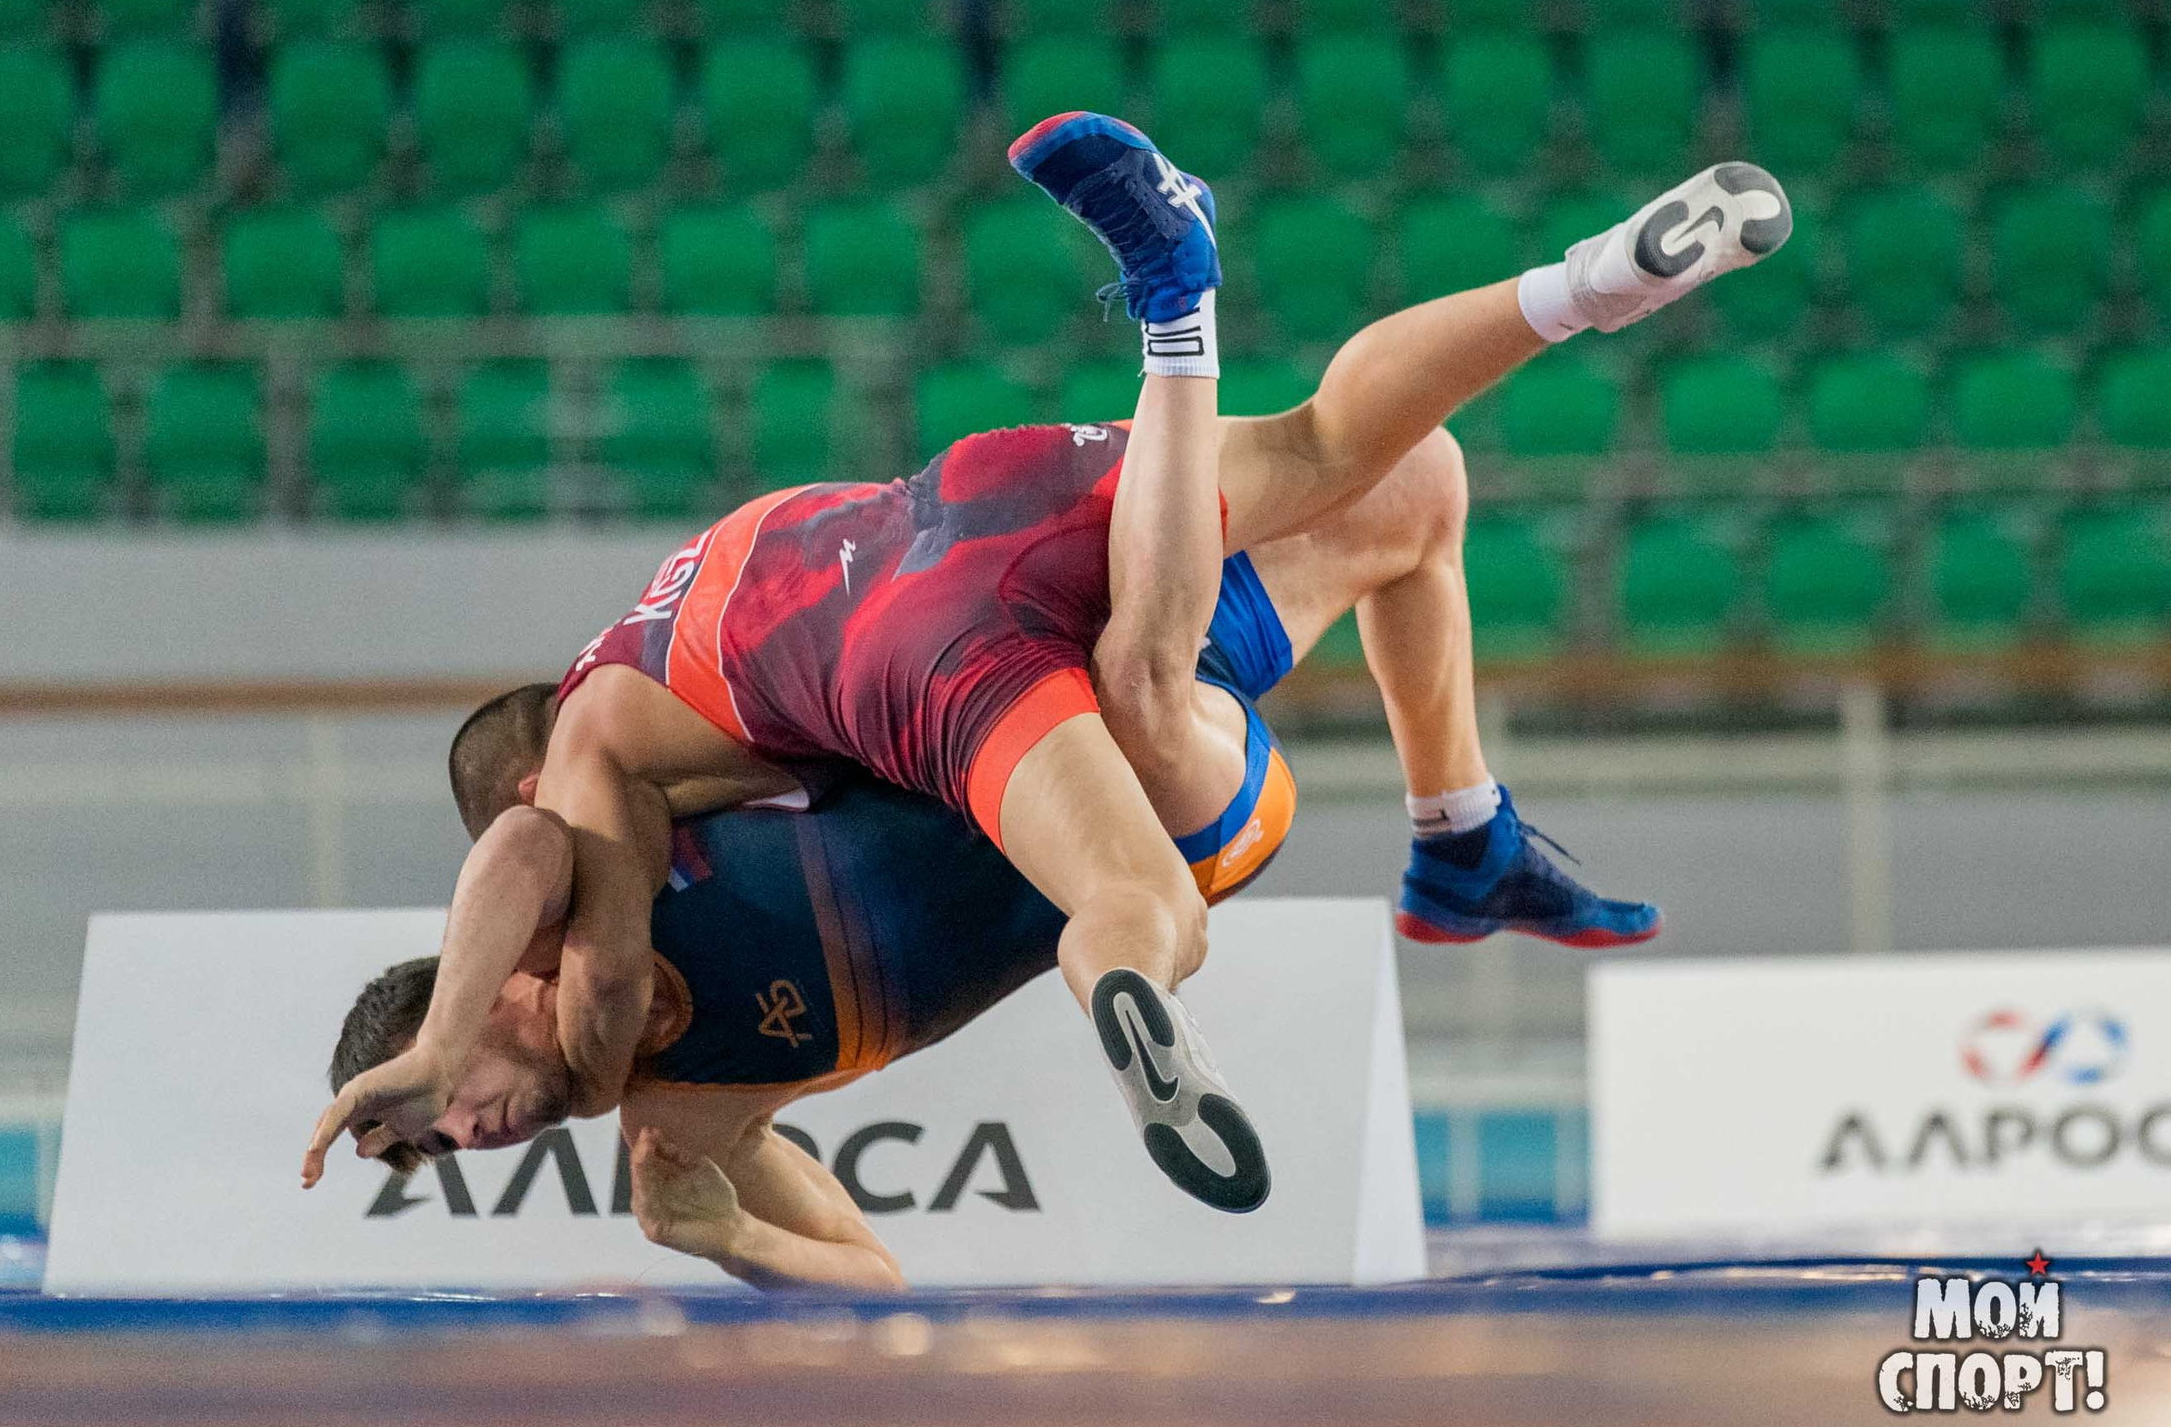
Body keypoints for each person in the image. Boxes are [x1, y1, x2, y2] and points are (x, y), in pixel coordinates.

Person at [309, 116, 1791, 1211]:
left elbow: (560, 904)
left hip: (929, 652)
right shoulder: (639, 671)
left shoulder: (586, 811)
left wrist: (460, 1046)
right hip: (953, 505)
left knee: (1138, 847)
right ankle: (1593, 287)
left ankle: (1179, 307)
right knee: (1383, 472)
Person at [309, 419, 1557, 1287]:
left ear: (492, 986)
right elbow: (872, 1287)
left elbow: (524, 837)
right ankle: (1181, 320)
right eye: (443, 1149)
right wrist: (729, 1244)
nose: (465, 1137)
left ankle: (1203, 332)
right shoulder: (683, 1131)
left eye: (440, 1113)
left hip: (1047, 720)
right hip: (1176, 810)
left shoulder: (591, 872)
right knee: (1147, 698)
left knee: (1405, 491)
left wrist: (428, 1050)